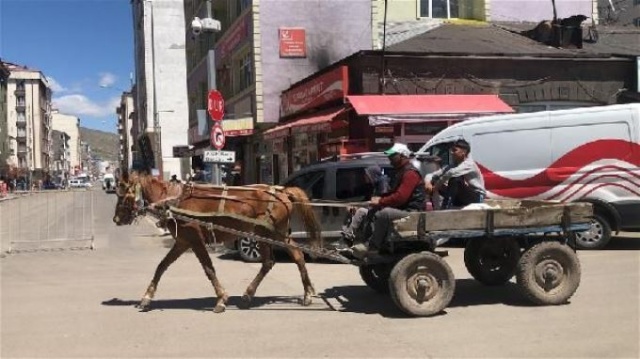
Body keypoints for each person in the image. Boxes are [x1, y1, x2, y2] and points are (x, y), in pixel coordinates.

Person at [351, 143, 426, 258]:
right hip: (403, 208)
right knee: (371, 210)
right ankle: (364, 241)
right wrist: (380, 199)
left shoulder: (410, 173)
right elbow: (394, 193)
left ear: (402, 156)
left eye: (392, 156)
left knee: (385, 213)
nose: (390, 159)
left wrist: (381, 201)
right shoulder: (401, 172)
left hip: (412, 211)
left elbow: (401, 197)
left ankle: (373, 246)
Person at [425, 139, 486, 209]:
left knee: (455, 179)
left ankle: (446, 207)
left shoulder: (469, 164)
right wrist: (428, 182)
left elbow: (450, 173)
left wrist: (436, 187)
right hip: (462, 196)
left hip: (477, 196)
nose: (451, 152)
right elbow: (432, 175)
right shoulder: (453, 165)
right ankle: (436, 206)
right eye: (451, 150)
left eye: (455, 150)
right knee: (434, 180)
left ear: (464, 152)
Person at [341, 165, 390, 243]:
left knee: (361, 211)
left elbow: (378, 202)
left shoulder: (382, 186)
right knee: (350, 210)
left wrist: (362, 206)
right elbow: (367, 200)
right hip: (372, 209)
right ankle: (345, 235)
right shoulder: (372, 186)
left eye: (367, 175)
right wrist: (355, 206)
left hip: (379, 212)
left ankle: (349, 236)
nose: (365, 177)